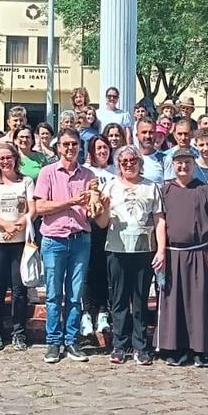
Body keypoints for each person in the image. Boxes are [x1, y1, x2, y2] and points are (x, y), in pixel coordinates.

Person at [94, 145, 165, 365]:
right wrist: (103, 208)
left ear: (139, 163)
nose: (128, 165)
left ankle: (141, 346)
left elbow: (159, 219)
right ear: (118, 165)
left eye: (132, 160)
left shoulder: (151, 187)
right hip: (117, 248)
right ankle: (119, 345)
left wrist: (161, 249)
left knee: (141, 300)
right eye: (124, 162)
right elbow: (102, 222)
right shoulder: (110, 186)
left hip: (145, 249)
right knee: (119, 299)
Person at [157, 148, 208, 367]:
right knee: (173, 302)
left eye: (187, 163)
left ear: (193, 165)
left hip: (198, 253)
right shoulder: (165, 190)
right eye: (179, 163)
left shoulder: (204, 190)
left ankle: (200, 350)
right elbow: (159, 223)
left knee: (199, 303)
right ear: (173, 165)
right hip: (172, 254)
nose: (183, 167)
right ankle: (175, 349)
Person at [35, 129, 96, 364]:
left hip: (80, 239)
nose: (70, 148)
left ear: (80, 146)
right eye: (65, 144)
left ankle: (71, 340)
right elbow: (40, 208)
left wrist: (96, 206)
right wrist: (70, 202)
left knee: (75, 294)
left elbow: (92, 209)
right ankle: (53, 342)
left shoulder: (88, 175)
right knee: (53, 294)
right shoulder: (47, 173)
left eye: (74, 144)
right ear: (58, 147)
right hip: (54, 240)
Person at [0, 142, 34, 351]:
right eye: (1, 158)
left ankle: (19, 333)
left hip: (19, 242)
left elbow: (33, 210)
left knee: (19, 290)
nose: (5, 161)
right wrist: (6, 225)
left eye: (8, 157)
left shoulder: (26, 181)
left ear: (15, 158)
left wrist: (17, 226)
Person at [80, 135, 116, 337]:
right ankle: (86, 312)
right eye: (98, 148)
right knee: (87, 270)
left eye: (105, 147)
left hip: (109, 226)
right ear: (91, 151)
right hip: (89, 225)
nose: (102, 151)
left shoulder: (115, 172)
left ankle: (102, 311)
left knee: (104, 270)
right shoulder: (87, 172)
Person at [133, 120, 167, 184]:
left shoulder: (165, 159)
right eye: (144, 132)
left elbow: (169, 188)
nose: (148, 136)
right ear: (137, 135)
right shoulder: (130, 159)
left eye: (151, 132)